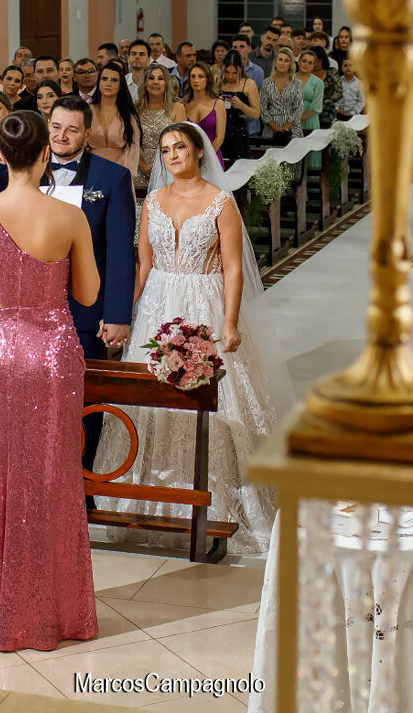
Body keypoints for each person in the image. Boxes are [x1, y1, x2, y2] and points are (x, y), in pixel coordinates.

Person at [96, 122, 284, 555]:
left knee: (214, 397)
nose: (172, 155)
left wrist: (230, 323)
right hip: (158, 304)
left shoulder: (220, 202)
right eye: (165, 150)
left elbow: (233, 267)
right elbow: (143, 265)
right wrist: (123, 314)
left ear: (199, 151)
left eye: (179, 147)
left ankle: (218, 503)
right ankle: (144, 502)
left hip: (205, 302)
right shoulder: (153, 201)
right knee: (150, 397)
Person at [0, 111, 99, 651]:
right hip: (53, 358)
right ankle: (50, 613)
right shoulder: (69, 217)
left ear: (0, 154)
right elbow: (87, 295)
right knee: (52, 479)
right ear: (44, 155)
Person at [44, 96, 136, 471]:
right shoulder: (27, 170)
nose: (62, 136)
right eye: (56, 127)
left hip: (85, 310)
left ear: (87, 133)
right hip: (32, 310)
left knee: (83, 402)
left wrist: (117, 315)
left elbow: (120, 253)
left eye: (71, 129)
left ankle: (82, 481)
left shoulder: (112, 178)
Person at [87, 61, 141, 175]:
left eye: (114, 80)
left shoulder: (128, 114)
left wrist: (118, 173)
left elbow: (133, 148)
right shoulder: (87, 111)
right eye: (104, 79)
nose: (108, 83)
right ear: (99, 82)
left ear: (121, 85)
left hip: (121, 172)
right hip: (91, 170)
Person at [135, 65, 185, 187]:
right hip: (140, 168)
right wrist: (142, 166)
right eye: (151, 78)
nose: (155, 82)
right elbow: (129, 142)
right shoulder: (135, 108)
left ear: (166, 83)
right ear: (145, 82)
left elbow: (182, 143)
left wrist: (162, 166)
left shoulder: (177, 107)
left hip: (168, 168)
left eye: (160, 78)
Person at [182, 61, 227, 168]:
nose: (196, 80)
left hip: (212, 158)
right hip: (188, 159)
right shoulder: (183, 104)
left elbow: (220, 138)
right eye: (193, 76)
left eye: (200, 76)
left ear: (208, 79)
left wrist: (204, 157)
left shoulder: (218, 104)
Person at [219, 51, 260, 161]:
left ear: (241, 70)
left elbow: (256, 114)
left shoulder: (249, 84)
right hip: (220, 129)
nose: (230, 76)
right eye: (227, 72)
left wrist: (242, 106)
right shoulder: (217, 82)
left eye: (234, 73)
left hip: (238, 132)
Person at [261, 48, 304, 144]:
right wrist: (276, 129)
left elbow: (298, 107)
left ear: (290, 64)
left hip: (292, 128)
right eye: (280, 60)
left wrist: (286, 127)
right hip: (270, 128)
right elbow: (263, 108)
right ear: (275, 63)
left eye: (286, 61)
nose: (282, 63)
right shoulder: (266, 83)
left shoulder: (297, 83)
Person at [336, 55, 364, 119]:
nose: (348, 68)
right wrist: (337, 109)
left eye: (351, 65)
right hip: (338, 114)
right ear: (341, 68)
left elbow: (361, 101)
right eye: (345, 66)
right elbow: (334, 98)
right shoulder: (337, 81)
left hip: (354, 115)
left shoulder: (360, 83)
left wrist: (352, 112)